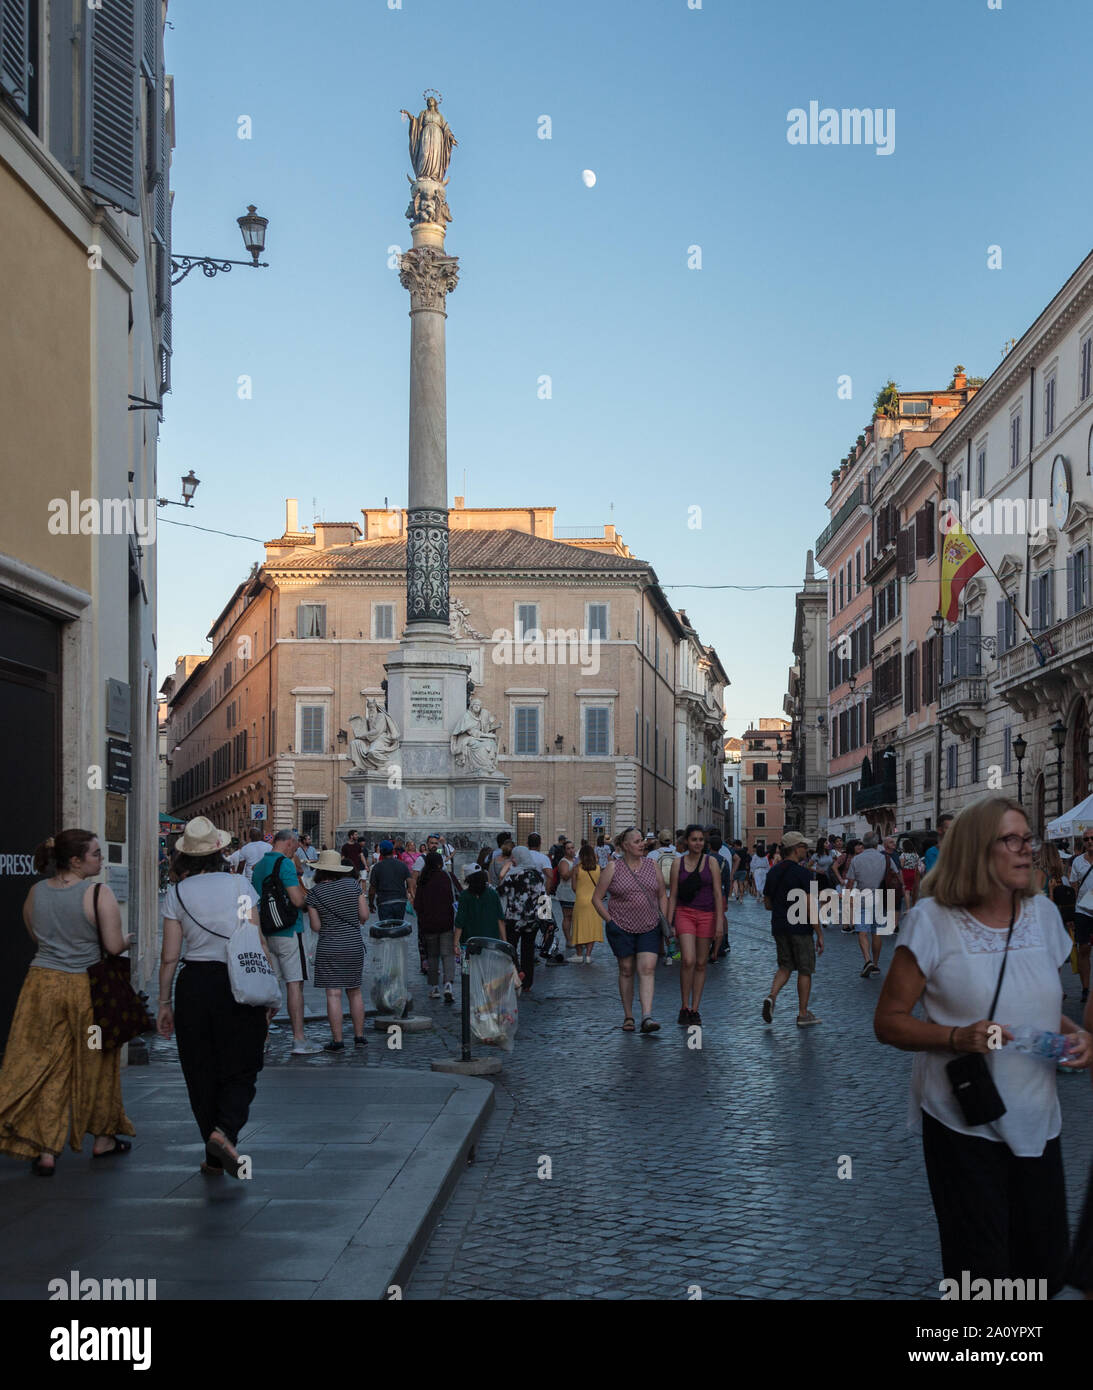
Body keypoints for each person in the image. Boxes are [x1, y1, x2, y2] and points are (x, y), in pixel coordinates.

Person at [874, 796, 1091, 1298]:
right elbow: (888, 1023)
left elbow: (1037, 1004)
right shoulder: (932, 921)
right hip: (964, 1120)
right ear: (976, 850)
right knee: (982, 1273)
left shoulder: (1043, 915)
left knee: (1043, 1266)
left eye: (1028, 840)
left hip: (1040, 1118)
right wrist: (957, 1036)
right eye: (1011, 840)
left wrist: (1076, 1036)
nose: (1026, 851)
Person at [0, 830, 135, 1174]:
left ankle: (46, 1149)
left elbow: (35, 935)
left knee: (46, 1063)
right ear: (75, 861)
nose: (100, 859)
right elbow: (114, 946)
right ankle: (102, 1139)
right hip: (86, 992)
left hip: (41, 988)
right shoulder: (97, 894)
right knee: (97, 1061)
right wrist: (128, 940)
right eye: (95, 854)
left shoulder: (36, 892)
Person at [159, 817, 273, 1175]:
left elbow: (169, 956)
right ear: (221, 851)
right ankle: (225, 1131)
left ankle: (212, 1153)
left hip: (194, 985)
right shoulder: (240, 885)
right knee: (243, 1066)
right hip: (237, 981)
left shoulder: (176, 894)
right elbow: (253, 938)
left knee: (199, 1069)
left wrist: (163, 1002)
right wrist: (268, 990)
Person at [591, 827, 667, 1033]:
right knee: (626, 970)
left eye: (642, 840)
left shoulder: (652, 866)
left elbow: (661, 894)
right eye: (636, 841)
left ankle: (647, 1016)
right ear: (625, 846)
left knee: (648, 968)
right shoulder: (613, 868)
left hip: (650, 925)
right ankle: (628, 1015)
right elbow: (596, 898)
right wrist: (610, 921)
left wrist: (664, 919)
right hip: (621, 927)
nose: (642, 844)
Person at [252, 829, 321, 1055]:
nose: (295, 850)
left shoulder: (259, 865)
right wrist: (309, 897)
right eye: (294, 846)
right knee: (295, 984)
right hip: (289, 931)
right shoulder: (286, 864)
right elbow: (296, 899)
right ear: (289, 843)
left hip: (266, 932)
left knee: (269, 986)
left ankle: (262, 1038)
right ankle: (299, 1040)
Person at [305, 849, 369, 1050]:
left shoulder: (314, 893)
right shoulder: (352, 885)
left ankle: (338, 1040)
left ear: (319, 871)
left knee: (333, 994)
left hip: (329, 946)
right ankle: (359, 1037)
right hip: (353, 944)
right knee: (355, 992)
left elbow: (315, 927)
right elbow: (364, 916)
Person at [760, 830, 823, 1027]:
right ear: (796, 850)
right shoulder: (805, 874)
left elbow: (767, 904)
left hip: (779, 926)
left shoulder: (773, 871)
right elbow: (810, 905)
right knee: (805, 970)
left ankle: (771, 996)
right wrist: (819, 934)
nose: (807, 850)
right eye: (804, 846)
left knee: (785, 966)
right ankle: (803, 1014)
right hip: (801, 928)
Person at [668, 824, 724, 1026]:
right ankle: (684, 1005)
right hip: (685, 913)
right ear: (686, 842)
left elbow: (718, 894)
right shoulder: (677, 863)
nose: (698, 843)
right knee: (688, 960)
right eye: (694, 839)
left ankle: (694, 1008)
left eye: (701, 839)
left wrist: (719, 923)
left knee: (701, 963)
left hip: (707, 915)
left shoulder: (711, 863)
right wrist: (669, 922)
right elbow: (673, 895)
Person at [497, 846, 548, 993]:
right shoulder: (538, 875)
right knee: (528, 949)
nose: (512, 859)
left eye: (513, 857)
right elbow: (544, 897)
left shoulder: (512, 876)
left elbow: (500, 892)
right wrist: (547, 920)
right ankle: (527, 982)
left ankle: (515, 974)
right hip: (532, 920)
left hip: (514, 919)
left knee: (510, 948)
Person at [415, 850, 461, 1003]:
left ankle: (434, 987)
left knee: (432, 955)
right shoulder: (447, 877)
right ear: (440, 863)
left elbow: (417, 904)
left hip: (428, 923)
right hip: (446, 922)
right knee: (448, 954)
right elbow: (459, 892)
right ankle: (448, 984)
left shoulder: (423, 879)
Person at [847, 833, 890, 977]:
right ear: (877, 843)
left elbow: (851, 882)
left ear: (863, 844)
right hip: (880, 898)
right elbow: (896, 874)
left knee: (862, 931)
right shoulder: (885, 858)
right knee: (876, 932)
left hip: (862, 898)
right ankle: (876, 964)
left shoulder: (857, 860)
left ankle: (867, 960)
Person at [453, 867, 506, 952]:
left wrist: (455, 944)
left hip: (470, 942)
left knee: (471, 965)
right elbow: (500, 919)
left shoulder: (464, 896)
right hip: (491, 941)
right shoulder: (492, 894)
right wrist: (504, 941)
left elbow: (460, 921)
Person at [1068, 831, 1093, 1005]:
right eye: (1086, 839)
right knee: (1084, 949)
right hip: (1083, 910)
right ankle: (1085, 989)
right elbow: (1074, 886)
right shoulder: (1078, 861)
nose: (1090, 841)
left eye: (1092, 838)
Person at [571, 845, 602, 962]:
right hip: (594, 902)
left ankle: (579, 954)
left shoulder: (576, 869)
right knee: (592, 927)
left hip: (580, 901)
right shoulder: (598, 869)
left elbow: (574, 887)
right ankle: (588, 955)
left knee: (579, 927)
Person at [553, 840, 578, 961]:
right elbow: (565, 876)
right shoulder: (564, 861)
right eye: (568, 848)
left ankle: (576, 938)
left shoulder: (575, 860)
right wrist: (575, 868)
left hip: (575, 893)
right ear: (565, 850)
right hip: (566, 893)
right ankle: (569, 940)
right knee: (568, 917)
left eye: (572, 847)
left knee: (576, 917)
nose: (571, 850)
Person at [899, 837, 922, 906]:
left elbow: (901, 866)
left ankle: (908, 908)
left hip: (905, 873)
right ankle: (914, 905)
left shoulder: (903, 855)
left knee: (907, 891)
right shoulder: (916, 855)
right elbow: (918, 865)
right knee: (914, 891)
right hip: (914, 873)